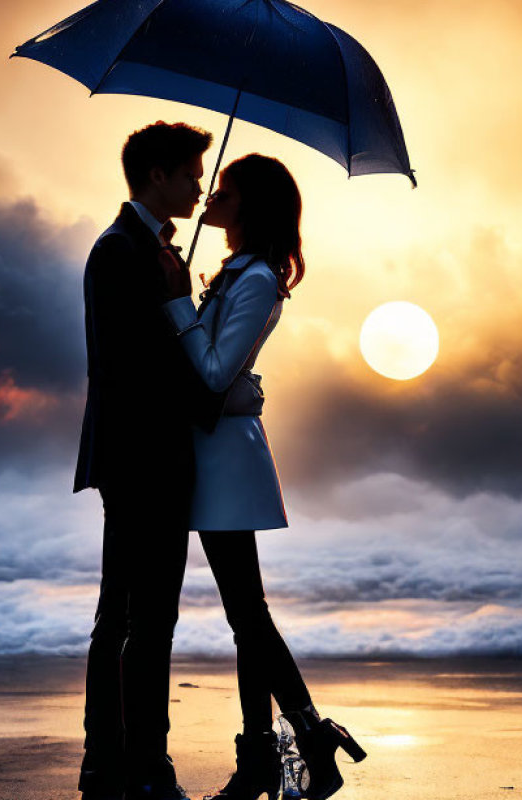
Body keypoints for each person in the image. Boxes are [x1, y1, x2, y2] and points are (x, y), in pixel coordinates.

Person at [159, 154, 367, 800]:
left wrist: (177, 308)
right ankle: (286, 745)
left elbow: (217, 373)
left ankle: (290, 743)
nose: (212, 196)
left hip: (227, 459)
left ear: (250, 205)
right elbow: (225, 375)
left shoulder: (255, 280)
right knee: (246, 615)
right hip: (217, 450)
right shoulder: (236, 273)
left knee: (247, 614)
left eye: (225, 189)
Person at [73, 121, 224, 800]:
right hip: (143, 458)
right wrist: (212, 394)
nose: (200, 185)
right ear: (157, 174)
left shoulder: (148, 250)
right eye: (191, 173)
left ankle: (109, 762)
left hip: (139, 455)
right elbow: (133, 364)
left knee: (125, 612)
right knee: (146, 614)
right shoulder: (119, 252)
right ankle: (143, 766)